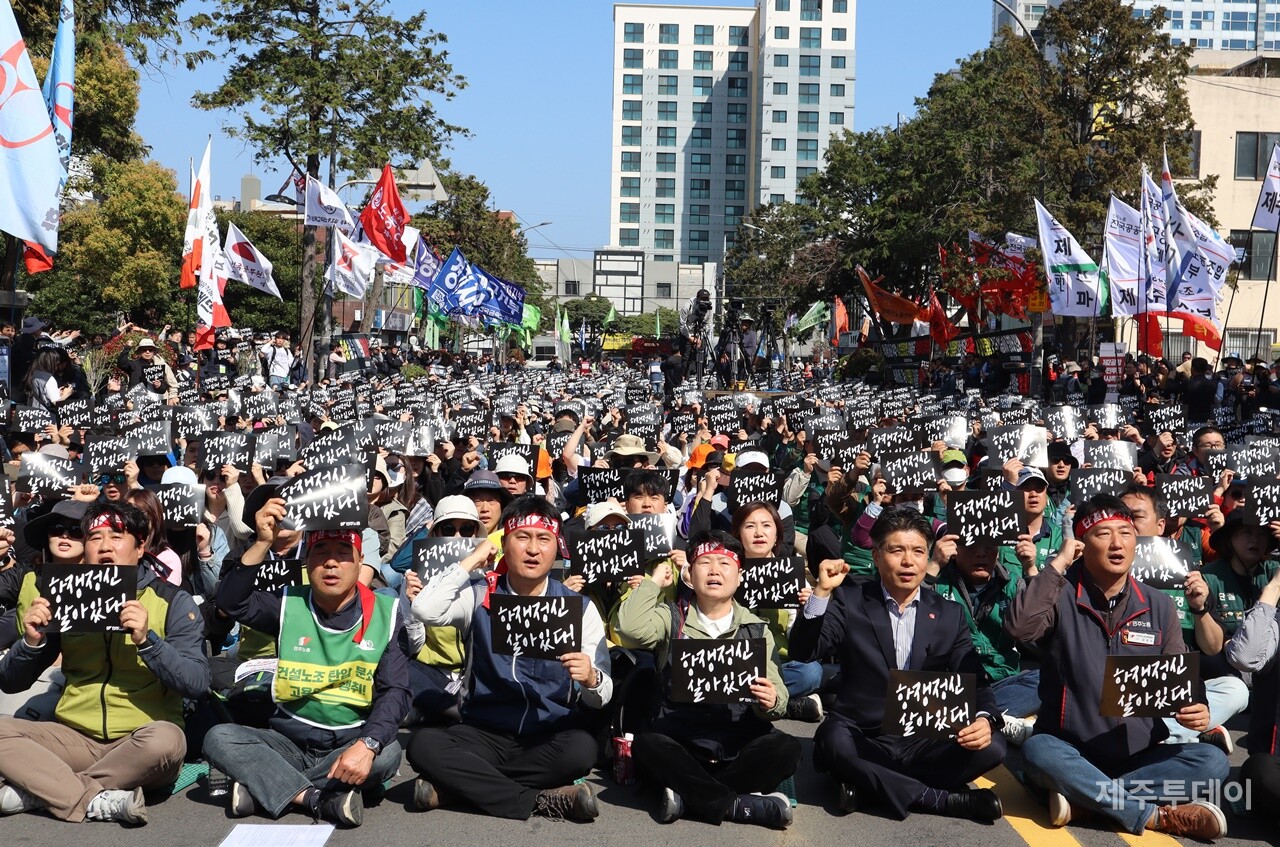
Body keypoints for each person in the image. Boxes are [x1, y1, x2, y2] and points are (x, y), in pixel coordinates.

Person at [1006, 495, 1229, 840]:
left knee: (1212, 763)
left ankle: (1085, 798)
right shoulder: (1059, 594)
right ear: (1081, 543)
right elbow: (1020, 629)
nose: (1117, 543)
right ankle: (1148, 814)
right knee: (1038, 750)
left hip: (1139, 755)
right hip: (1070, 748)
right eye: (1103, 534)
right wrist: (1058, 564)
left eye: (1125, 533)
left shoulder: (1158, 604)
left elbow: (1179, 677)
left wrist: (1197, 707)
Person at [202, 499, 410, 829]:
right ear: (307, 561)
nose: (330, 563)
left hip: (347, 742)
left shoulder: (386, 613)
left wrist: (366, 746)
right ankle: (316, 798)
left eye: (343, 553)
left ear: (359, 562)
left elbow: (395, 691)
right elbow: (229, 601)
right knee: (218, 738)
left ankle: (265, 786)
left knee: (386, 753)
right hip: (288, 741)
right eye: (320, 552)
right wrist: (263, 542)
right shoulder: (289, 602)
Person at [790, 506, 1006, 821]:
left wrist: (985, 720)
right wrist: (821, 593)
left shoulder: (949, 613)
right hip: (862, 734)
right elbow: (805, 650)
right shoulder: (851, 599)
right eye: (897, 551)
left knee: (993, 747)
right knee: (832, 742)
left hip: (922, 737)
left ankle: (865, 785)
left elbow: (974, 676)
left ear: (928, 556)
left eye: (918, 551)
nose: (908, 561)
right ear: (877, 556)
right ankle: (938, 800)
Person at [0, 502, 209, 824]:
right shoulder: (65, 594)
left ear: (141, 546)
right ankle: (84, 796)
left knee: (166, 740)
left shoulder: (172, 600)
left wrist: (147, 640)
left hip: (141, 741)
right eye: (95, 538)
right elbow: (11, 682)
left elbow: (196, 682)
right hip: (75, 737)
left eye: (117, 537)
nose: (105, 547)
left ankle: (42, 790)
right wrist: (31, 640)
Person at [407, 498, 611, 822]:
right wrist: (471, 560)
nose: (533, 549)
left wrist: (591, 678)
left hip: (546, 734)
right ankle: (540, 800)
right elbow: (424, 609)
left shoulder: (579, 607)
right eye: (522, 538)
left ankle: (456, 788)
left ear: (556, 548)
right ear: (503, 544)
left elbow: (603, 693)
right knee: (423, 745)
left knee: (583, 750)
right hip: (483, 732)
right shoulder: (478, 593)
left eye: (543, 539)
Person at [614, 531, 801, 828]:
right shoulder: (671, 618)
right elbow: (629, 629)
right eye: (705, 563)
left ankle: (690, 796)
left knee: (786, 749)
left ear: (739, 576)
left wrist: (772, 700)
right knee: (648, 745)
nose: (714, 570)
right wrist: (652, 583)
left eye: (724, 564)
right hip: (680, 743)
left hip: (736, 746)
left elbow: (778, 697)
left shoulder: (756, 629)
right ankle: (735, 805)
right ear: (689, 573)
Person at [1225, 564, 1280, 822]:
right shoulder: (1275, 625)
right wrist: (1274, 587)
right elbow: (1244, 658)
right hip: (1274, 767)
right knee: (1260, 772)